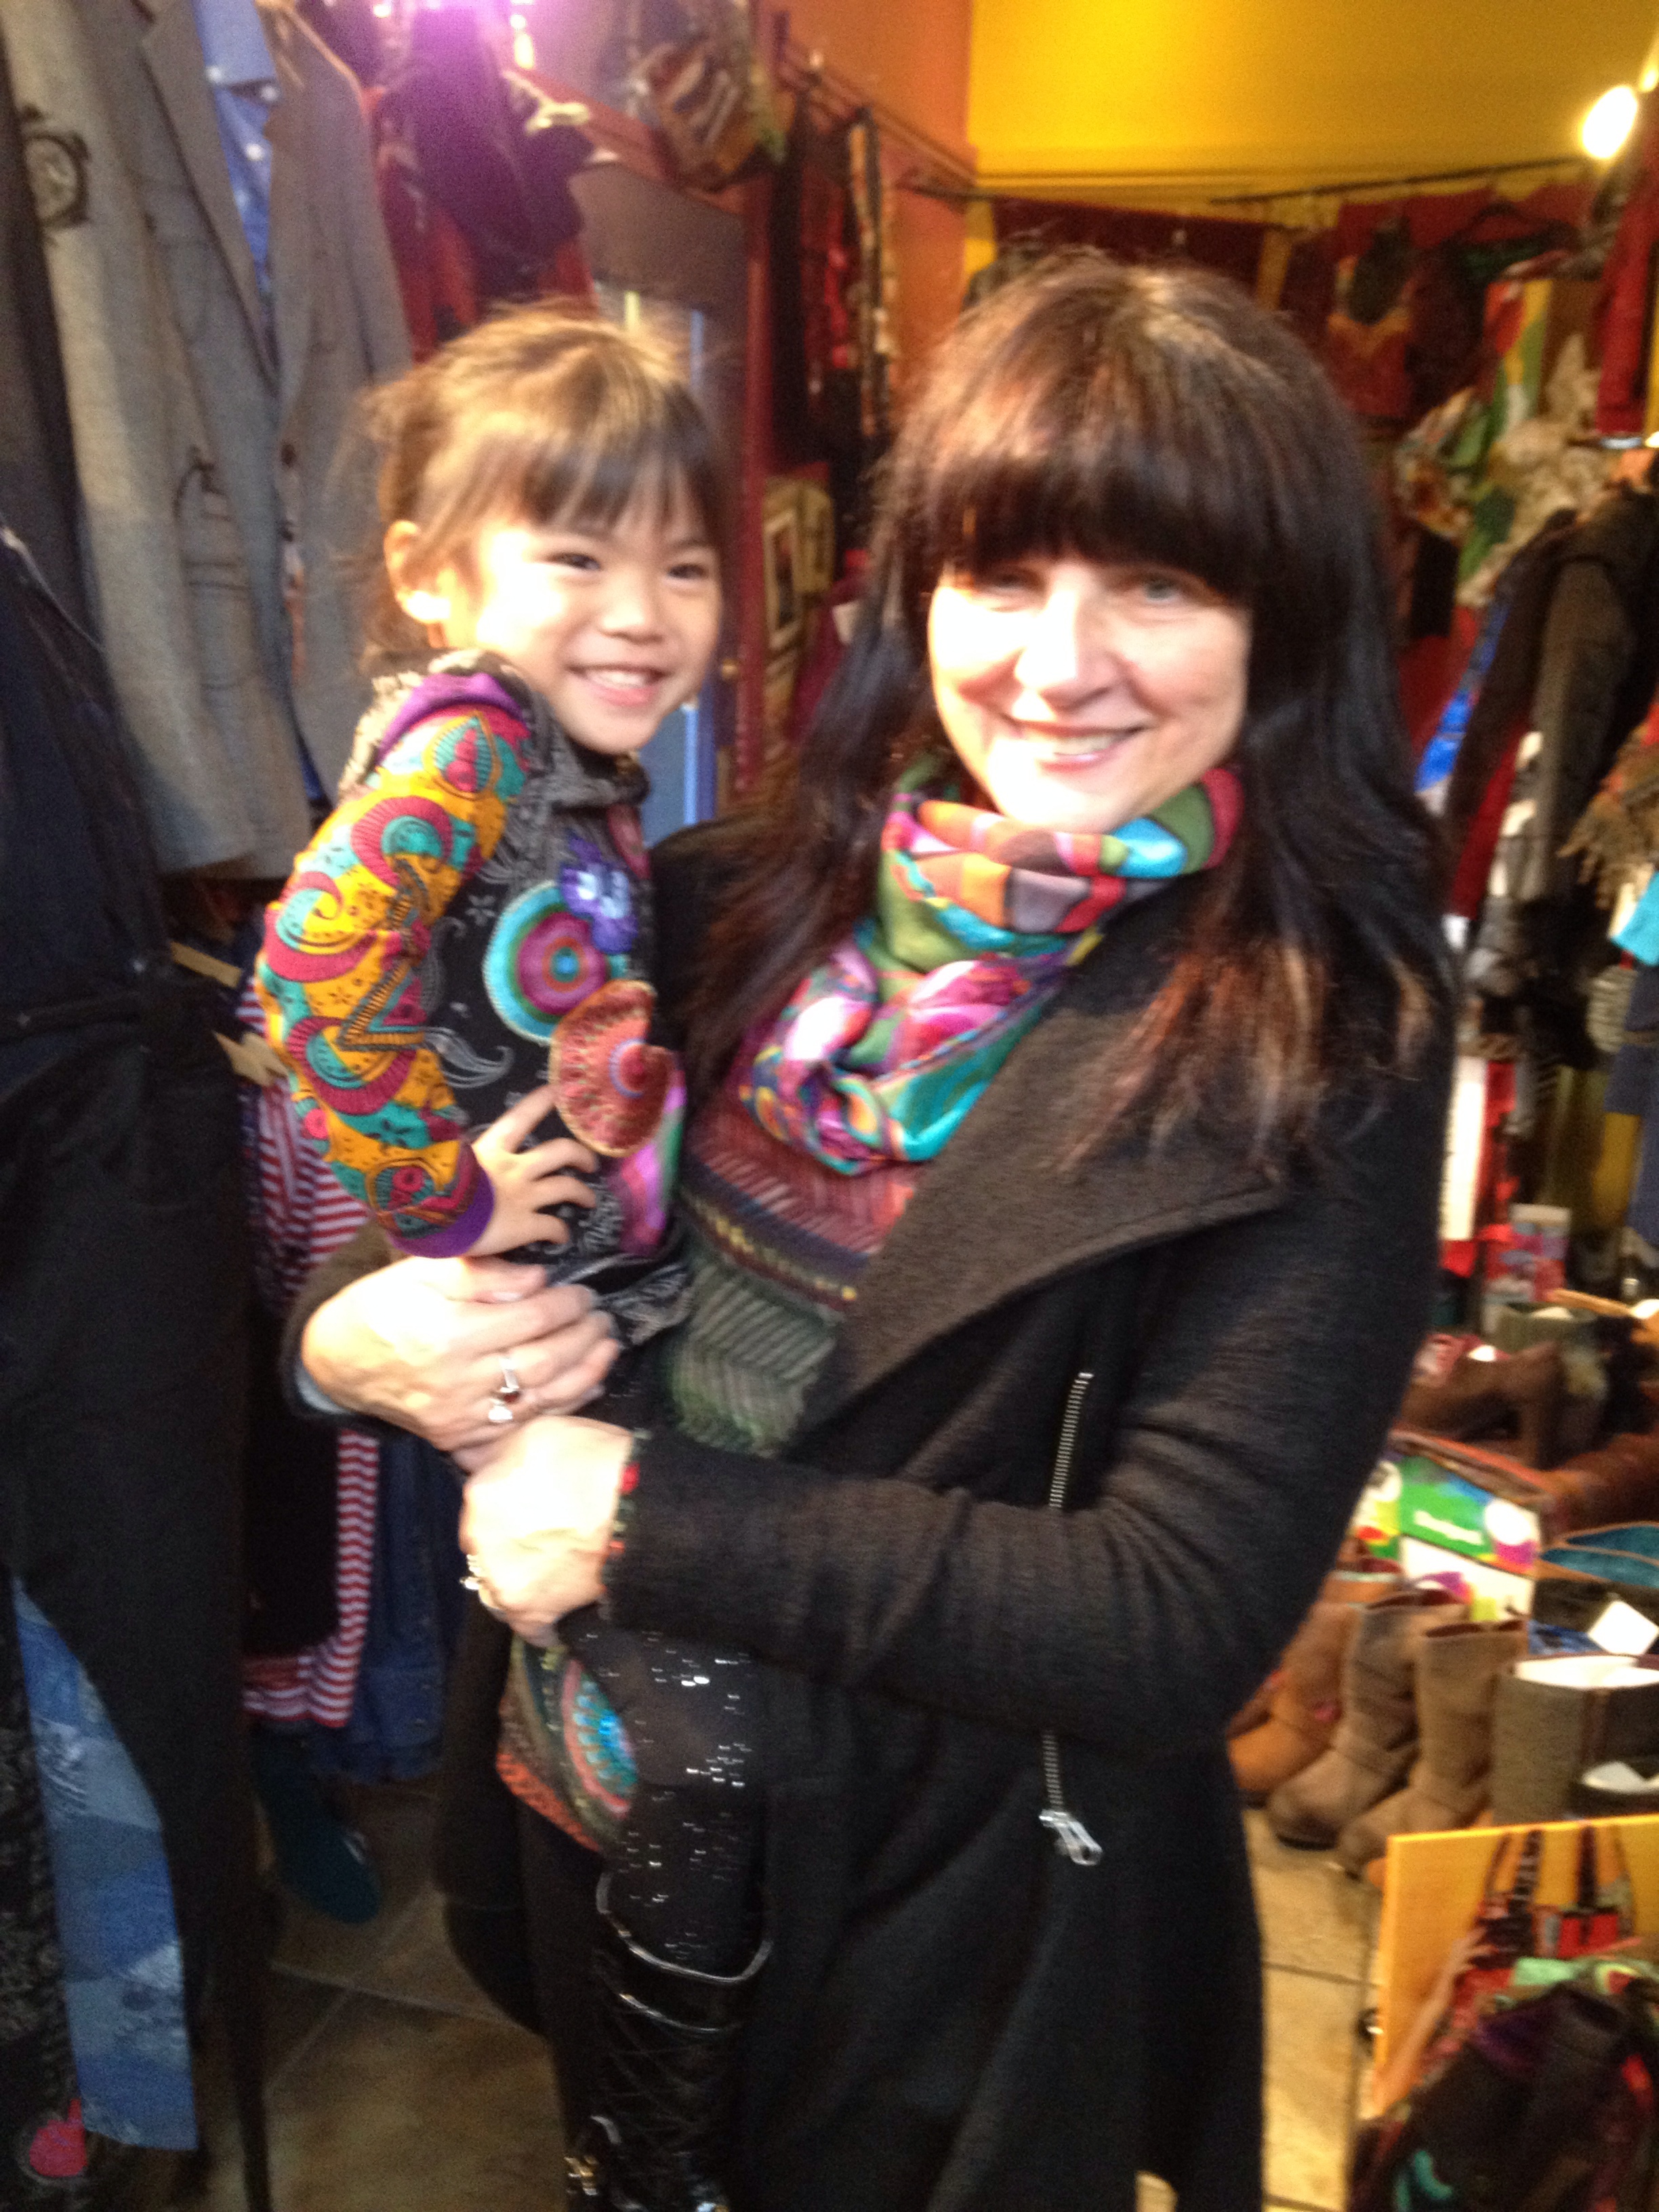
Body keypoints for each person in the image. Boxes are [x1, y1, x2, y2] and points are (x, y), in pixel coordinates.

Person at [291, 253, 1454, 2212]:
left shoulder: (1325, 1038)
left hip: (948, 1914)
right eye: (1003, 578)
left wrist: (645, 1514)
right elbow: (457, 1202)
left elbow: (1171, 1617)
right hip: (605, 1794)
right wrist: (347, 1342)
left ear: (1285, 621)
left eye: (1157, 586)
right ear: (916, 595)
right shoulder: (722, 895)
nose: (1059, 665)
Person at [255, 303, 771, 2207]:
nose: (640, 612)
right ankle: (646, 2116)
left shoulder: (571, 771)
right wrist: (445, 1196)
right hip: (522, 1298)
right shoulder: (472, 747)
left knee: (606, 1700)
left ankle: (630, 2070)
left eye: (685, 566)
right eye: (575, 557)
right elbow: (311, 968)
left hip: (579, 1297)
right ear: (428, 571)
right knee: (634, 1718)